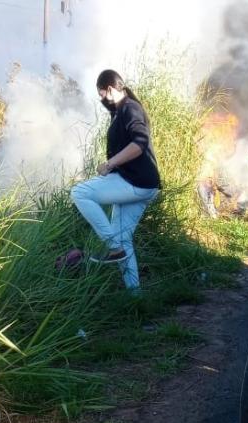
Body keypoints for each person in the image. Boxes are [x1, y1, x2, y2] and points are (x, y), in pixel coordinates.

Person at [70, 69, 161, 290]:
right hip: (142, 183)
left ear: (110, 90)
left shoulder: (130, 108)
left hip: (136, 182)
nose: (102, 100)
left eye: (101, 95)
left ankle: (113, 248)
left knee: (79, 193)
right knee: (123, 237)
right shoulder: (119, 112)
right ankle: (135, 296)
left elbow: (139, 144)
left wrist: (111, 164)